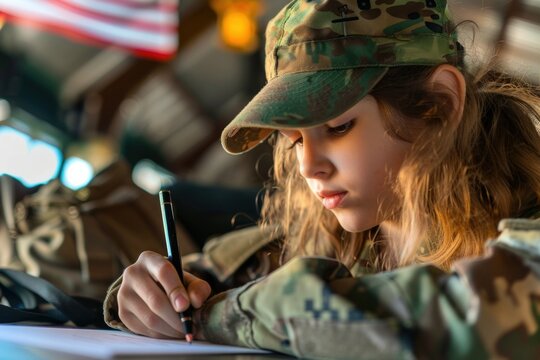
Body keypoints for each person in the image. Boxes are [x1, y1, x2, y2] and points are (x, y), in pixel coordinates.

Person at [103, 0, 540, 358]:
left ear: (439, 105)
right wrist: (154, 296)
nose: (310, 167)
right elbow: (208, 276)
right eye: (294, 141)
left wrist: (230, 316)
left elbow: (466, 322)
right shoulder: (326, 238)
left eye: (338, 127)